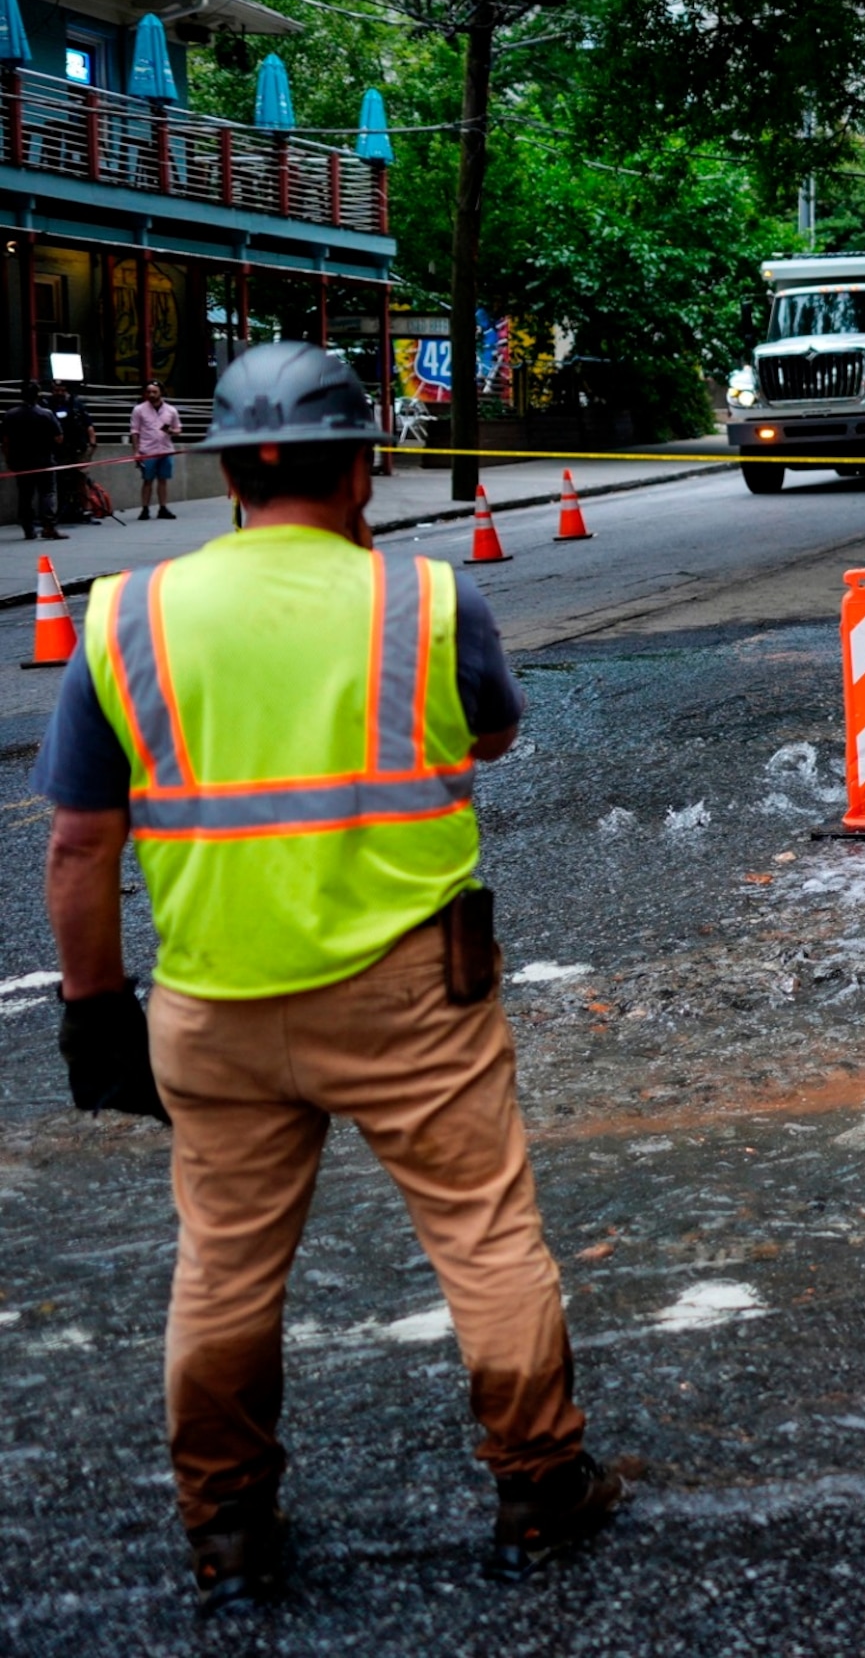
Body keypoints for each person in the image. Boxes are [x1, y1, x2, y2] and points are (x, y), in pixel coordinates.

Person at [34, 343, 619, 1617]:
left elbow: (81, 840)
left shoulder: (124, 615)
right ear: (364, 466)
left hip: (212, 1003)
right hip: (415, 994)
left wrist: (93, 1008)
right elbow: (495, 731)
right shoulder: (426, 602)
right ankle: (538, 1488)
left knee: (226, 1266)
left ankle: (228, 1527)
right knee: (484, 1236)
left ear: (233, 471)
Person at [5, 383, 63, 542]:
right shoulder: (46, 414)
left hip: (21, 461)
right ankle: (49, 526)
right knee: (48, 493)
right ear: (38, 395)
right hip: (44, 459)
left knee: (25, 495)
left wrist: (9, 459)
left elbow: (6, 440)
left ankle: (28, 529)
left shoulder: (10, 415)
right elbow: (59, 438)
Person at [129, 379, 182, 521]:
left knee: (163, 480)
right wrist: (136, 451)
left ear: (161, 393)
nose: (151, 394)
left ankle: (163, 508)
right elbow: (135, 431)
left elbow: (178, 429)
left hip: (166, 450)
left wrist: (171, 431)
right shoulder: (139, 409)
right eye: (148, 392)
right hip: (147, 451)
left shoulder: (171, 410)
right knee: (147, 480)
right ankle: (145, 509)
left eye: (154, 392)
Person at [47, 383, 95, 524]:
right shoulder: (48, 406)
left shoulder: (76, 405)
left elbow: (89, 425)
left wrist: (92, 443)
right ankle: (62, 508)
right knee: (61, 480)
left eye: (62, 390)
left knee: (81, 478)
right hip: (59, 450)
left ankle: (85, 509)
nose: (60, 393)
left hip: (78, 448)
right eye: (57, 390)